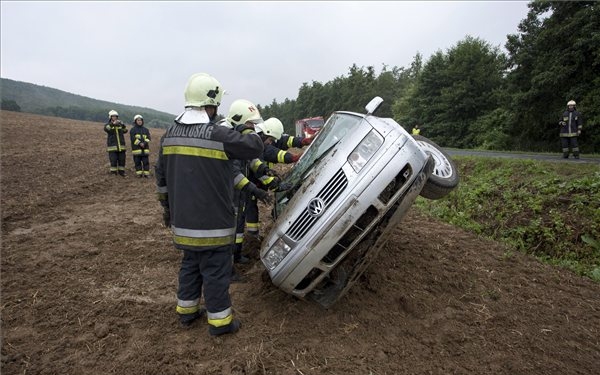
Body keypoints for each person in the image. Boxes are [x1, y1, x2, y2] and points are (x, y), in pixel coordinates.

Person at [155, 73, 263, 336]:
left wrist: (168, 209)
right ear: (211, 104)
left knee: (190, 263)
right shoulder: (217, 134)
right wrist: (245, 126)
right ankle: (220, 323)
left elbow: (161, 178)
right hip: (213, 224)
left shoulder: (168, 136)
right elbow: (255, 146)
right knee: (216, 270)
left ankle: (187, 311)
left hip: (182, 223)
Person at [245, 118, 309, 239]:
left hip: (257, 181)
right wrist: (277, 186)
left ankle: (252, 237)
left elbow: (286, 140)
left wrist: (303, 141)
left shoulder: (268, 139)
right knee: (250, 207)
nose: (271, 142)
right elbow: (271, 157)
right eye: (270, 140)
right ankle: (251, 238)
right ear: (265, 134)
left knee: (251, 206)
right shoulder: (257, 144)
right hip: (249, 183)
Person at [104, 110, 128, 176]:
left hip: (121, 146)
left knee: (122, 160)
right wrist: (113, 124)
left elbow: (125, 130)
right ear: (110, 117)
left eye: (116, 116)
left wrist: (122, 124)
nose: (114, 118)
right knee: (113, 160)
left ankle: (121, 172)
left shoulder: (120, 125)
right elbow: (106, 128)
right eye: (113, 116)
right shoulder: (108, 125)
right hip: (112, 147)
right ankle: (113, 173)